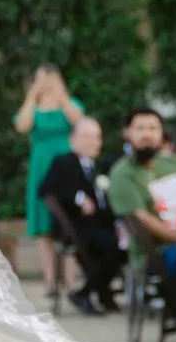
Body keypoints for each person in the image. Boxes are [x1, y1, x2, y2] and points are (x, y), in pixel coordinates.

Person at [36, 114, 123, 313]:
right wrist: (77, 197)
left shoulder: (98, 166)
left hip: (101, 225)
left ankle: (102, 292)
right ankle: (84, 293)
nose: (93, 142)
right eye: (86, 137)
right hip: (77, 227)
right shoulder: (64, 162)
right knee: (110, 246)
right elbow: (44, 189)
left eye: (97, 137)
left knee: (122, 246)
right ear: (73, 139)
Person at [15, 65, 85, 295]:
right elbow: (22, 126)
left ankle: (71, 279)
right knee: (43, 226)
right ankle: (51, 281)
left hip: (66, 163)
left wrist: (61, 95)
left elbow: (79, 121)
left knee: (69, 220)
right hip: (41, 165)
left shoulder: (70, 104)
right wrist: (32, 95)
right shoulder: (33, 108)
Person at [106, 108, 176, 279]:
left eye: (153, 128)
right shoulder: (122, 174)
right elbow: (142, 219)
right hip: (155, 253)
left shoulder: (172, 163)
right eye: (140, 129)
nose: (147, 134)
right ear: (127, 133)